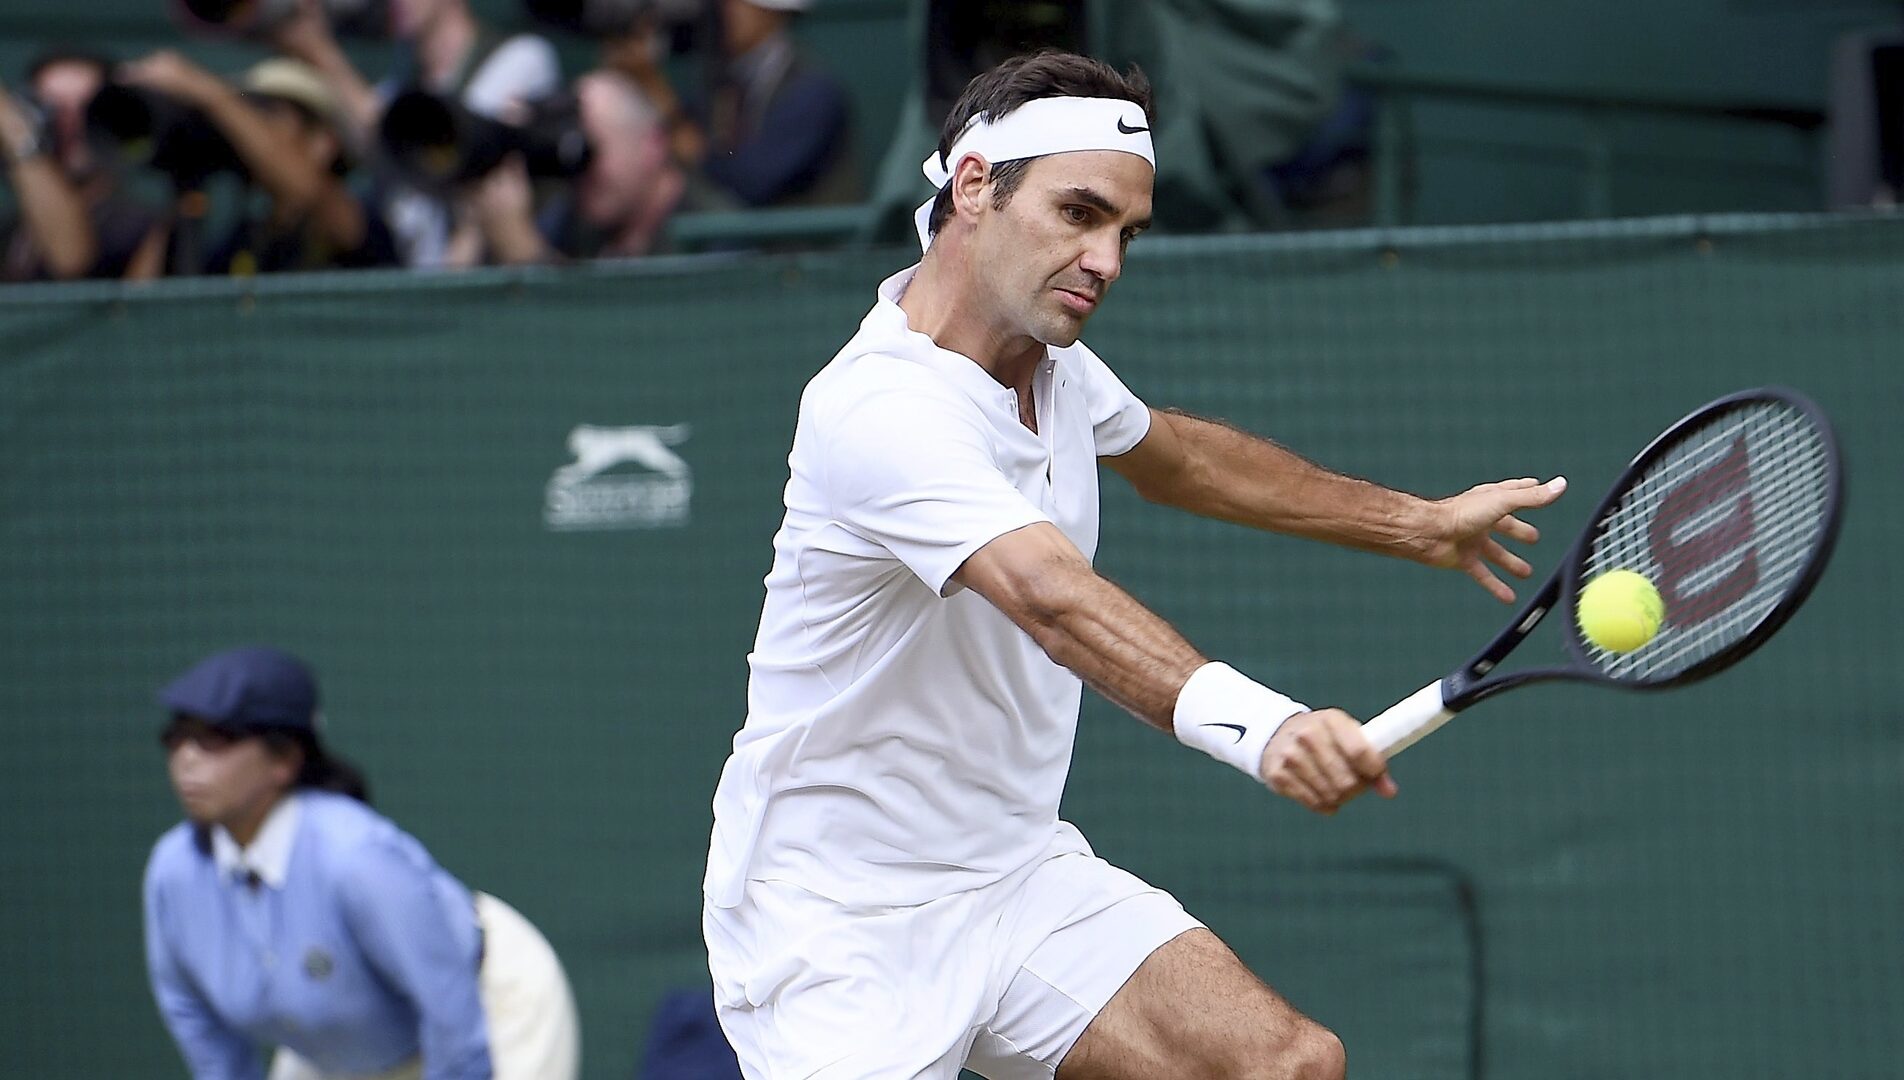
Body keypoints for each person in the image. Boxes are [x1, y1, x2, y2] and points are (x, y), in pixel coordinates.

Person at [701, 50, 1566, 1079]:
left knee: (1286, 1066)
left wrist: (1416, 524)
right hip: (836, 923)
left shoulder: (1051, 366)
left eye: (1125, 231)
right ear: (974, 187)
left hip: (1014, 876)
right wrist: (1266, 730)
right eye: (1077, 214)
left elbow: (1180, 460)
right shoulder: (879, 408)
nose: (1105, 259)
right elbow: (1051, 600)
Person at [143, 647, 580, 1080]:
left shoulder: (354, 858)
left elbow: (450, 1008)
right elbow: (192, 1014)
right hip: (344, 1051)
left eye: (215, 738)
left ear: (284, 759)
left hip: (489, 1008)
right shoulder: (172, 872)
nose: (187, 758)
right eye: (177, 737)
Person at [270, 0, 562, 267]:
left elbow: (450, 144)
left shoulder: (520, 58)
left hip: (501, 281)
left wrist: (321, 52)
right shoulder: (397, 90)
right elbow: (374, 138)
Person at [117, 53, 398, 275]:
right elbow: (145, 305)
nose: (247, 125)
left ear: (323, 141)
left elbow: (310, 196)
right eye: (246, 111)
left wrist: (209, 94)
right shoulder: (248, 238)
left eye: (266, 112)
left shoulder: (356, 213)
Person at [610, 0, 861, 209]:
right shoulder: (723, 83)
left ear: (772, 11)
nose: (724, 12)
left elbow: (754, 182)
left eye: (737, 4)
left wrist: (686, 136)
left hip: (804, 248)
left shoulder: (814, 90)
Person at [463, 70, 686, 265]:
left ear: (652, 146)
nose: (582, 172)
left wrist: (525, 254)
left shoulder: (700, 234)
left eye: (590, 151)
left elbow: (628, 301)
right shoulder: (573, 222)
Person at [0, 49, 168, 282]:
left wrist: (18, 135)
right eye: (51, 109)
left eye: (88, 108)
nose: (71, 125)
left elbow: (70, 262)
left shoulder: (136, 224)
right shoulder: (15, 228)